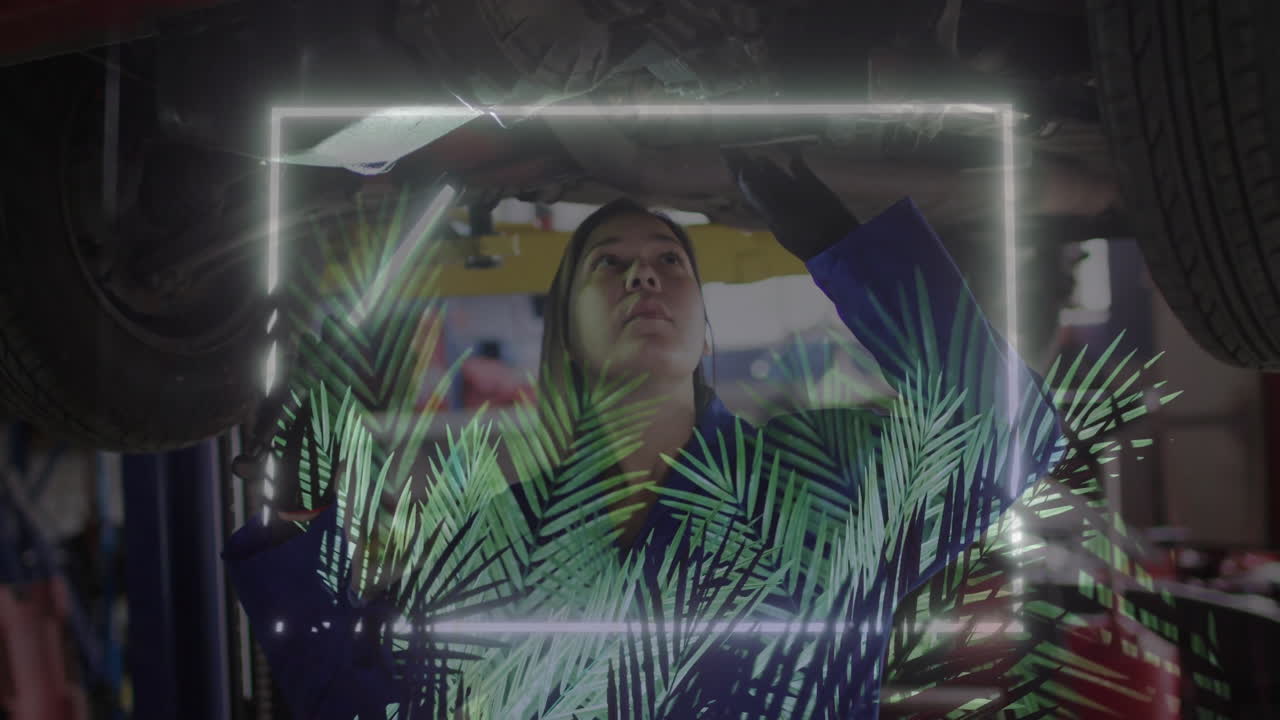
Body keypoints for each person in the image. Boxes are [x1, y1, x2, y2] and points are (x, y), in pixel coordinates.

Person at [224, 150, 1064, 719]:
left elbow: (1009, 433)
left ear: (704, 331)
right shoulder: (498, 544)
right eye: (608, 264)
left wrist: (841, 243)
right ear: (569, 335)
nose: (643, 275)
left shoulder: (824, 483)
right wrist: (293, 526)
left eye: (670, 261)